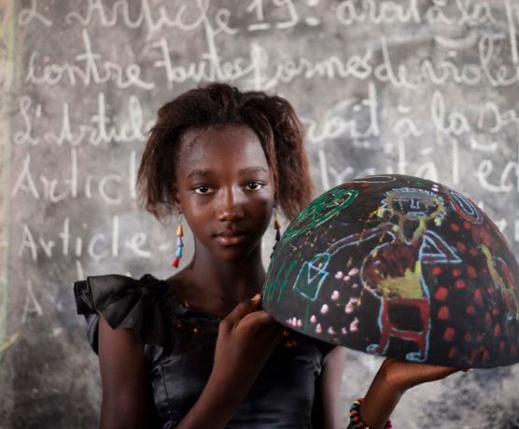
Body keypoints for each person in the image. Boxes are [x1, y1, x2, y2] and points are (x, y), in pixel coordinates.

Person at [74, 83, 460, 429]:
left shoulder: (313, 309)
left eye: (252, 184)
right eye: (204, 187)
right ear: (178, 195)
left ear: (277, 187)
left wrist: (389, 384)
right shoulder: (132, 319)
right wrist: (230, 382)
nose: (230, 207)